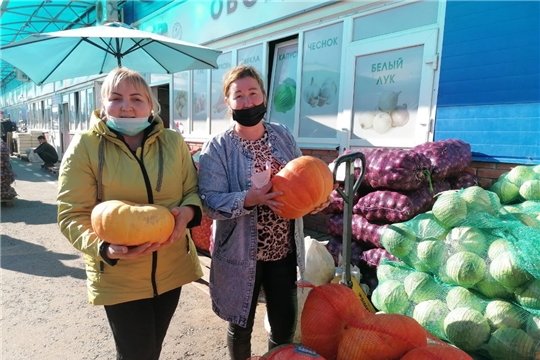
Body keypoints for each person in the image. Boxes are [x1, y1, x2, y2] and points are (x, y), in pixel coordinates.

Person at [57, 67, 203, 360]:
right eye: (116, 98)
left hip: (171, 268)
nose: (126, 106)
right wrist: (104, 248)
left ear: (151, 104)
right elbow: (71, 215)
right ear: (103, 104)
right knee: (138, 354)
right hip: (119, 274)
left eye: (137, 98)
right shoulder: (85, 146)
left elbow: (192, 190)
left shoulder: (173, 141)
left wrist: (187, 212)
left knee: (152, 349)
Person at [197, 65, 331, 360]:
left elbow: (303, 179)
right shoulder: (217, 147)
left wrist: (316, 201)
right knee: (240, 325)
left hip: (282, 250)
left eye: (253, 93)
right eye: (239, 96)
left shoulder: (282, 135)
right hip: (240, 254)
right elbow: (209, 202)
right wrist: (249, 198)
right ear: (228, 102)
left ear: (264, 97)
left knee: (284, 324)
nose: (247, 102)